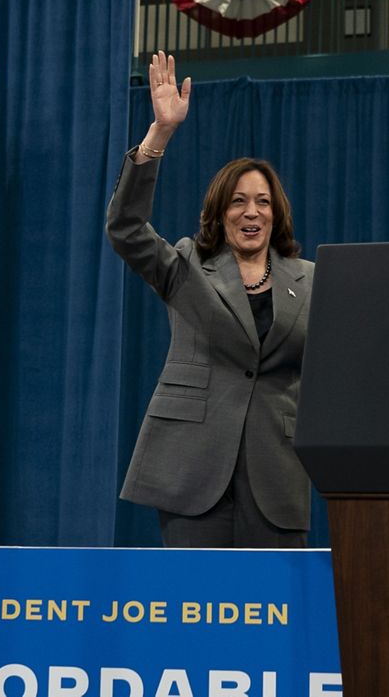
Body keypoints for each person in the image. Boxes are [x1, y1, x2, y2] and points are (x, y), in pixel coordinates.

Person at [107, 52, 314, 548]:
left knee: (272, 616)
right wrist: (159, 135)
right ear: (219, 214)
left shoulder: (311, 280)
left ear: (276, 213)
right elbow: (126, 229)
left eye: (262, 202)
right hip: (192, 470)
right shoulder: (185, 266)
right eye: (238, 201)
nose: (251, 212)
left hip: (276, 475)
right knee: (195, 612)